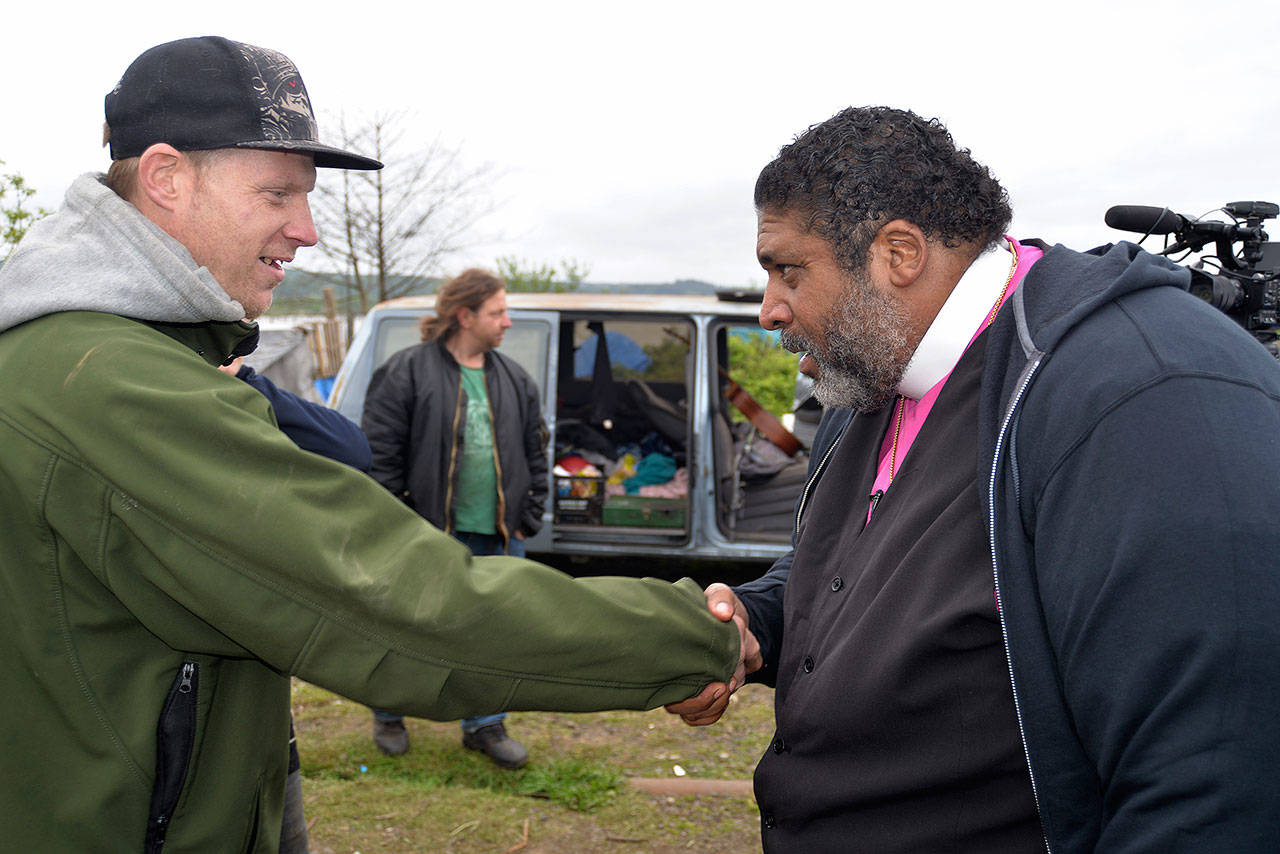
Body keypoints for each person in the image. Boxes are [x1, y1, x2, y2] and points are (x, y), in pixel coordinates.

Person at [0, 36, 752, 852]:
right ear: (167, 178)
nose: (308, 229)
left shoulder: (85, 356)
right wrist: (687, 635)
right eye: (278, 193)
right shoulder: (113, 382)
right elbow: (397, 604)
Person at [666, 106, 1280, 852]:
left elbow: (1211, 785)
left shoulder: (1144, 392)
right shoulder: (876, 371)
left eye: (788, 269)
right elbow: (858, 566)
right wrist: (759, 621)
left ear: (899, 253)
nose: (770, 309)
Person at [360, 268, 547, 767]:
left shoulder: (514, 378)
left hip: (499, 537)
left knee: (492, 633)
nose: (508, 322)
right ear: (465, 316)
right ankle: (390, 712)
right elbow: (378, 458)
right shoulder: (406, 372)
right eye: (498, 313)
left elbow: (535, 449)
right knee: (404, 624)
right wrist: (394, 526)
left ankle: (484, 726)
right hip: (424, 533)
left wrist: (531, 513)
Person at [220, 355, 372, 854]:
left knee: (285, 832)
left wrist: (243, 380)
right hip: (183, 692)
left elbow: (349, 448)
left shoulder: (242, 395)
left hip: (257, 681)